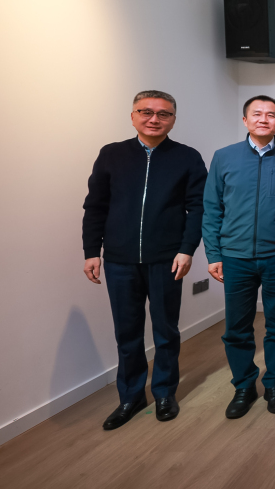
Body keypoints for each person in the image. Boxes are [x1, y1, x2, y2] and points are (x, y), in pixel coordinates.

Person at [82, 90, 207, 430]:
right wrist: (92, 251)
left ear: (173, 120)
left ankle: (165, 393)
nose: (154, 119)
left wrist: (187, 249)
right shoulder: (112, 154)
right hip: (119, 260)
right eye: (146, 111)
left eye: (163, 114)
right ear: (133, 115)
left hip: (167, 259)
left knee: (166, 330)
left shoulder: (187, 157)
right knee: (127, 333)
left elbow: (198, 208)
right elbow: (95, 206)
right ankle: (131, 397)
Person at [202, 96, 275, 419]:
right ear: (245, 120)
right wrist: (213, 253)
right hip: (235, 257)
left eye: (271, 115)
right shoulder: (224, 157)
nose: (264, 119)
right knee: (236, 328)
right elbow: (212, 208)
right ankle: (244, 386)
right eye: (257, 114)